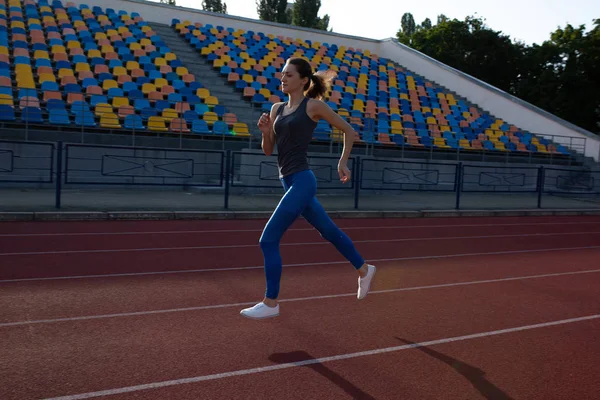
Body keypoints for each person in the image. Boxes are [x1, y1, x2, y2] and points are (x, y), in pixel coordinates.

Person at [240, 57, 376, 320]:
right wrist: (266, 132)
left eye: (289, 75)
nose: (283, 78)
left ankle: (271, 302)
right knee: (329, 231)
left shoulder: (313, 106)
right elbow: (269, 151)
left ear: (303, 80)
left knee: (268, 239)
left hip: (303, 180)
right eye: (282, 74)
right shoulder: (277, 108)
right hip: (287, 180)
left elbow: (348, 130)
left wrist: (342, 162)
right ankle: (364, 269)